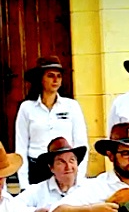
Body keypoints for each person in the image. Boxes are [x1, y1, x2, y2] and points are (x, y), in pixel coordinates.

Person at [13, 56, 89, 189]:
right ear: (40, 78)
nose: (55, 80)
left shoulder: (71, 106)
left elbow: (81, 142)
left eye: (59, 76)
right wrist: (24, 184)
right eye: (50, 75)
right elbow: (21, 146)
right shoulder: (27, 108)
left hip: (65, 168)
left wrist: (79, 177)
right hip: (37, 169)